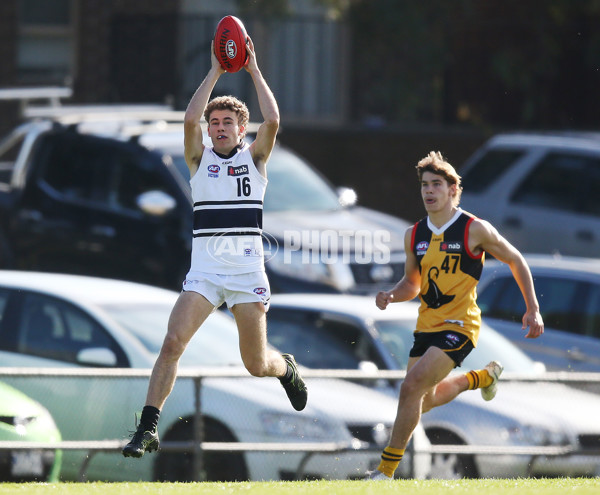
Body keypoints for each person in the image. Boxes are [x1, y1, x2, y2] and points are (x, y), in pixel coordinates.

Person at [122, 37, 307, 459]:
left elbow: (274, 120)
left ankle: (286, 367)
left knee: (256, 365)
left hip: (246, 275)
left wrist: (254, 70)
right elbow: (188, 120)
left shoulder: (255, 161)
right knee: (172, 343)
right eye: (215, 122)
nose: (218, 127)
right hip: (204, 275)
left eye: (227, 122)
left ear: (242, 130)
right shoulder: (198, 160)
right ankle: (148, 428)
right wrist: (216, 71)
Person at [366, 151, 544, 480]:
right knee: (424, 400)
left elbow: (516, 260)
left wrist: (532, 309)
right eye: (424, 185)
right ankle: (482, 378)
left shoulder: (474, 229)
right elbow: (412, 284)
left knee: (410, 387)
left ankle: (385, 472)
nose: (429, 191)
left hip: (461, 326)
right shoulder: (414, 235)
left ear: (453, 190)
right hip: (427, 326)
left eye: (436, 184)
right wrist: (392, 295)